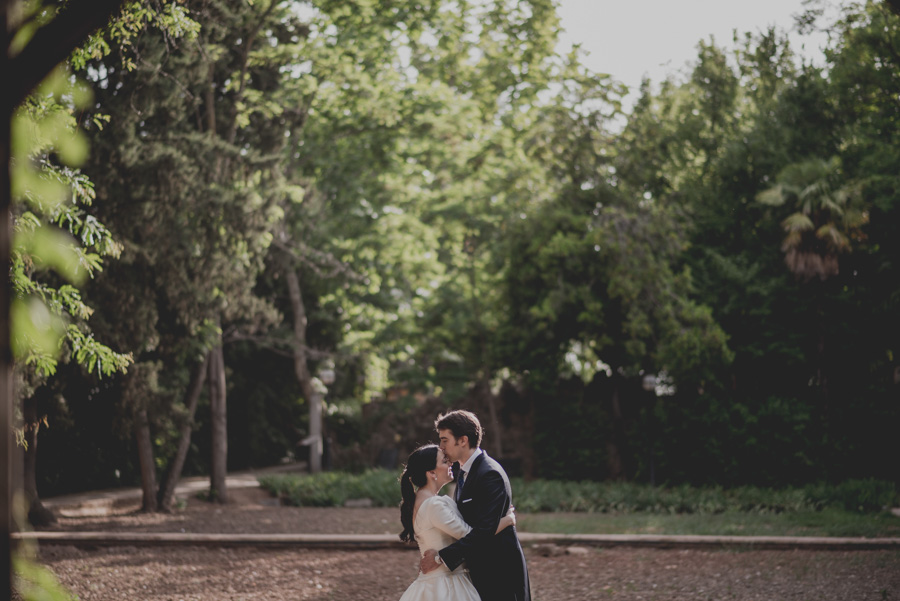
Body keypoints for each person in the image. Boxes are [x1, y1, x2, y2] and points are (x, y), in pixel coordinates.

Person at [420, 410, 531, 601]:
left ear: (462, 440)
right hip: (481, 569)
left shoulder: (489, 474)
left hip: (499, 570)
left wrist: (441, 558)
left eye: (445, 440)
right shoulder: (466, 472)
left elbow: (484, 531)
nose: (441, 446)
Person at [398, 444, 516, 601]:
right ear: (432, 472)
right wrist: (508, 520)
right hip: (447, 585)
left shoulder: (421, 500)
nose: (450, 463)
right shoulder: (434, 505)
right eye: (444, 461)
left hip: (435, 580)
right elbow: (472, 536)